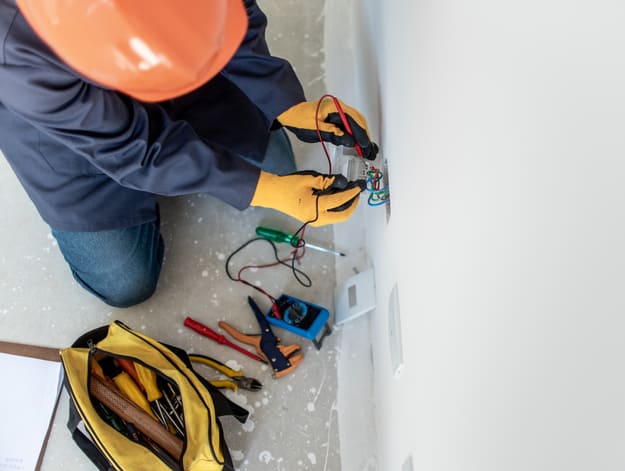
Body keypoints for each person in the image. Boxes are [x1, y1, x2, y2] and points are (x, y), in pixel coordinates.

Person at [0, 0, 378, 308]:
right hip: (72, 143)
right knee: (126, 285)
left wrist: (285, 103)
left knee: (278, 163)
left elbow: (233, 12)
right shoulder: (14, 45)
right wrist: (267, 191)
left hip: (173, 73)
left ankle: (186, 143)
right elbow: (131, 147)